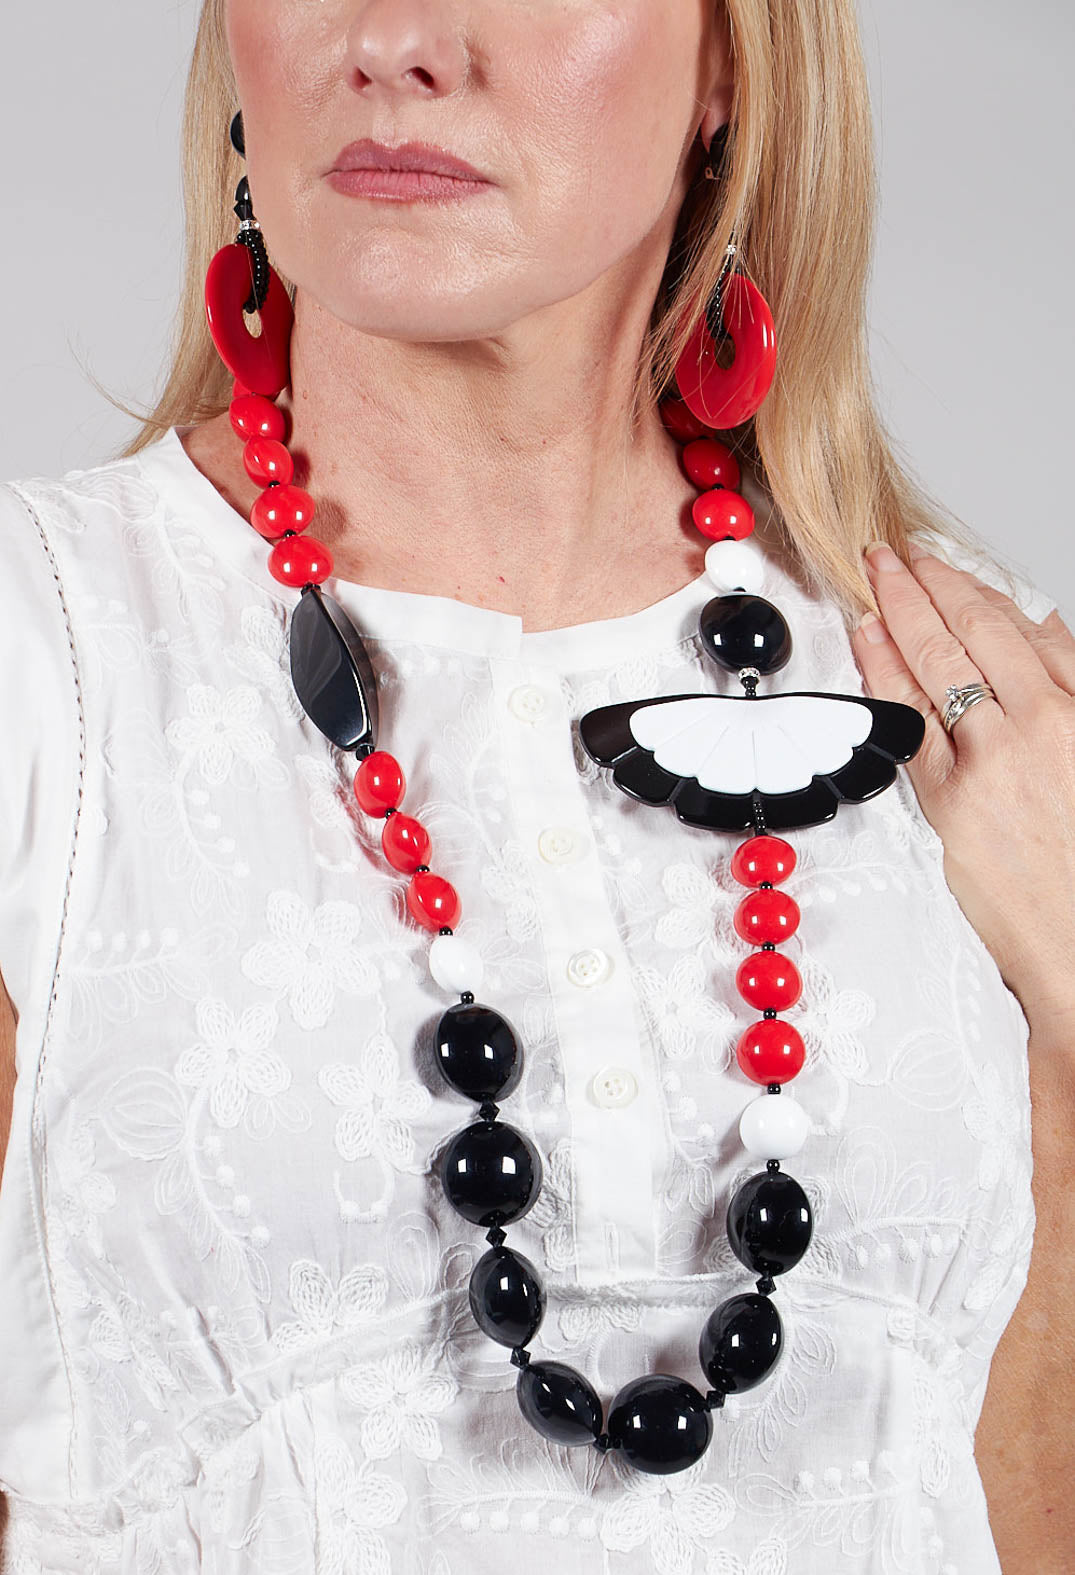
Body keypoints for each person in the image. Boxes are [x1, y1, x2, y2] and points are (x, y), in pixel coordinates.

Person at [0, 0, 1072, 1570]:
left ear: (730, 61)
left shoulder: (957, 679)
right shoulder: (53, 663)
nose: (395, 40)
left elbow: (1013, 1492)